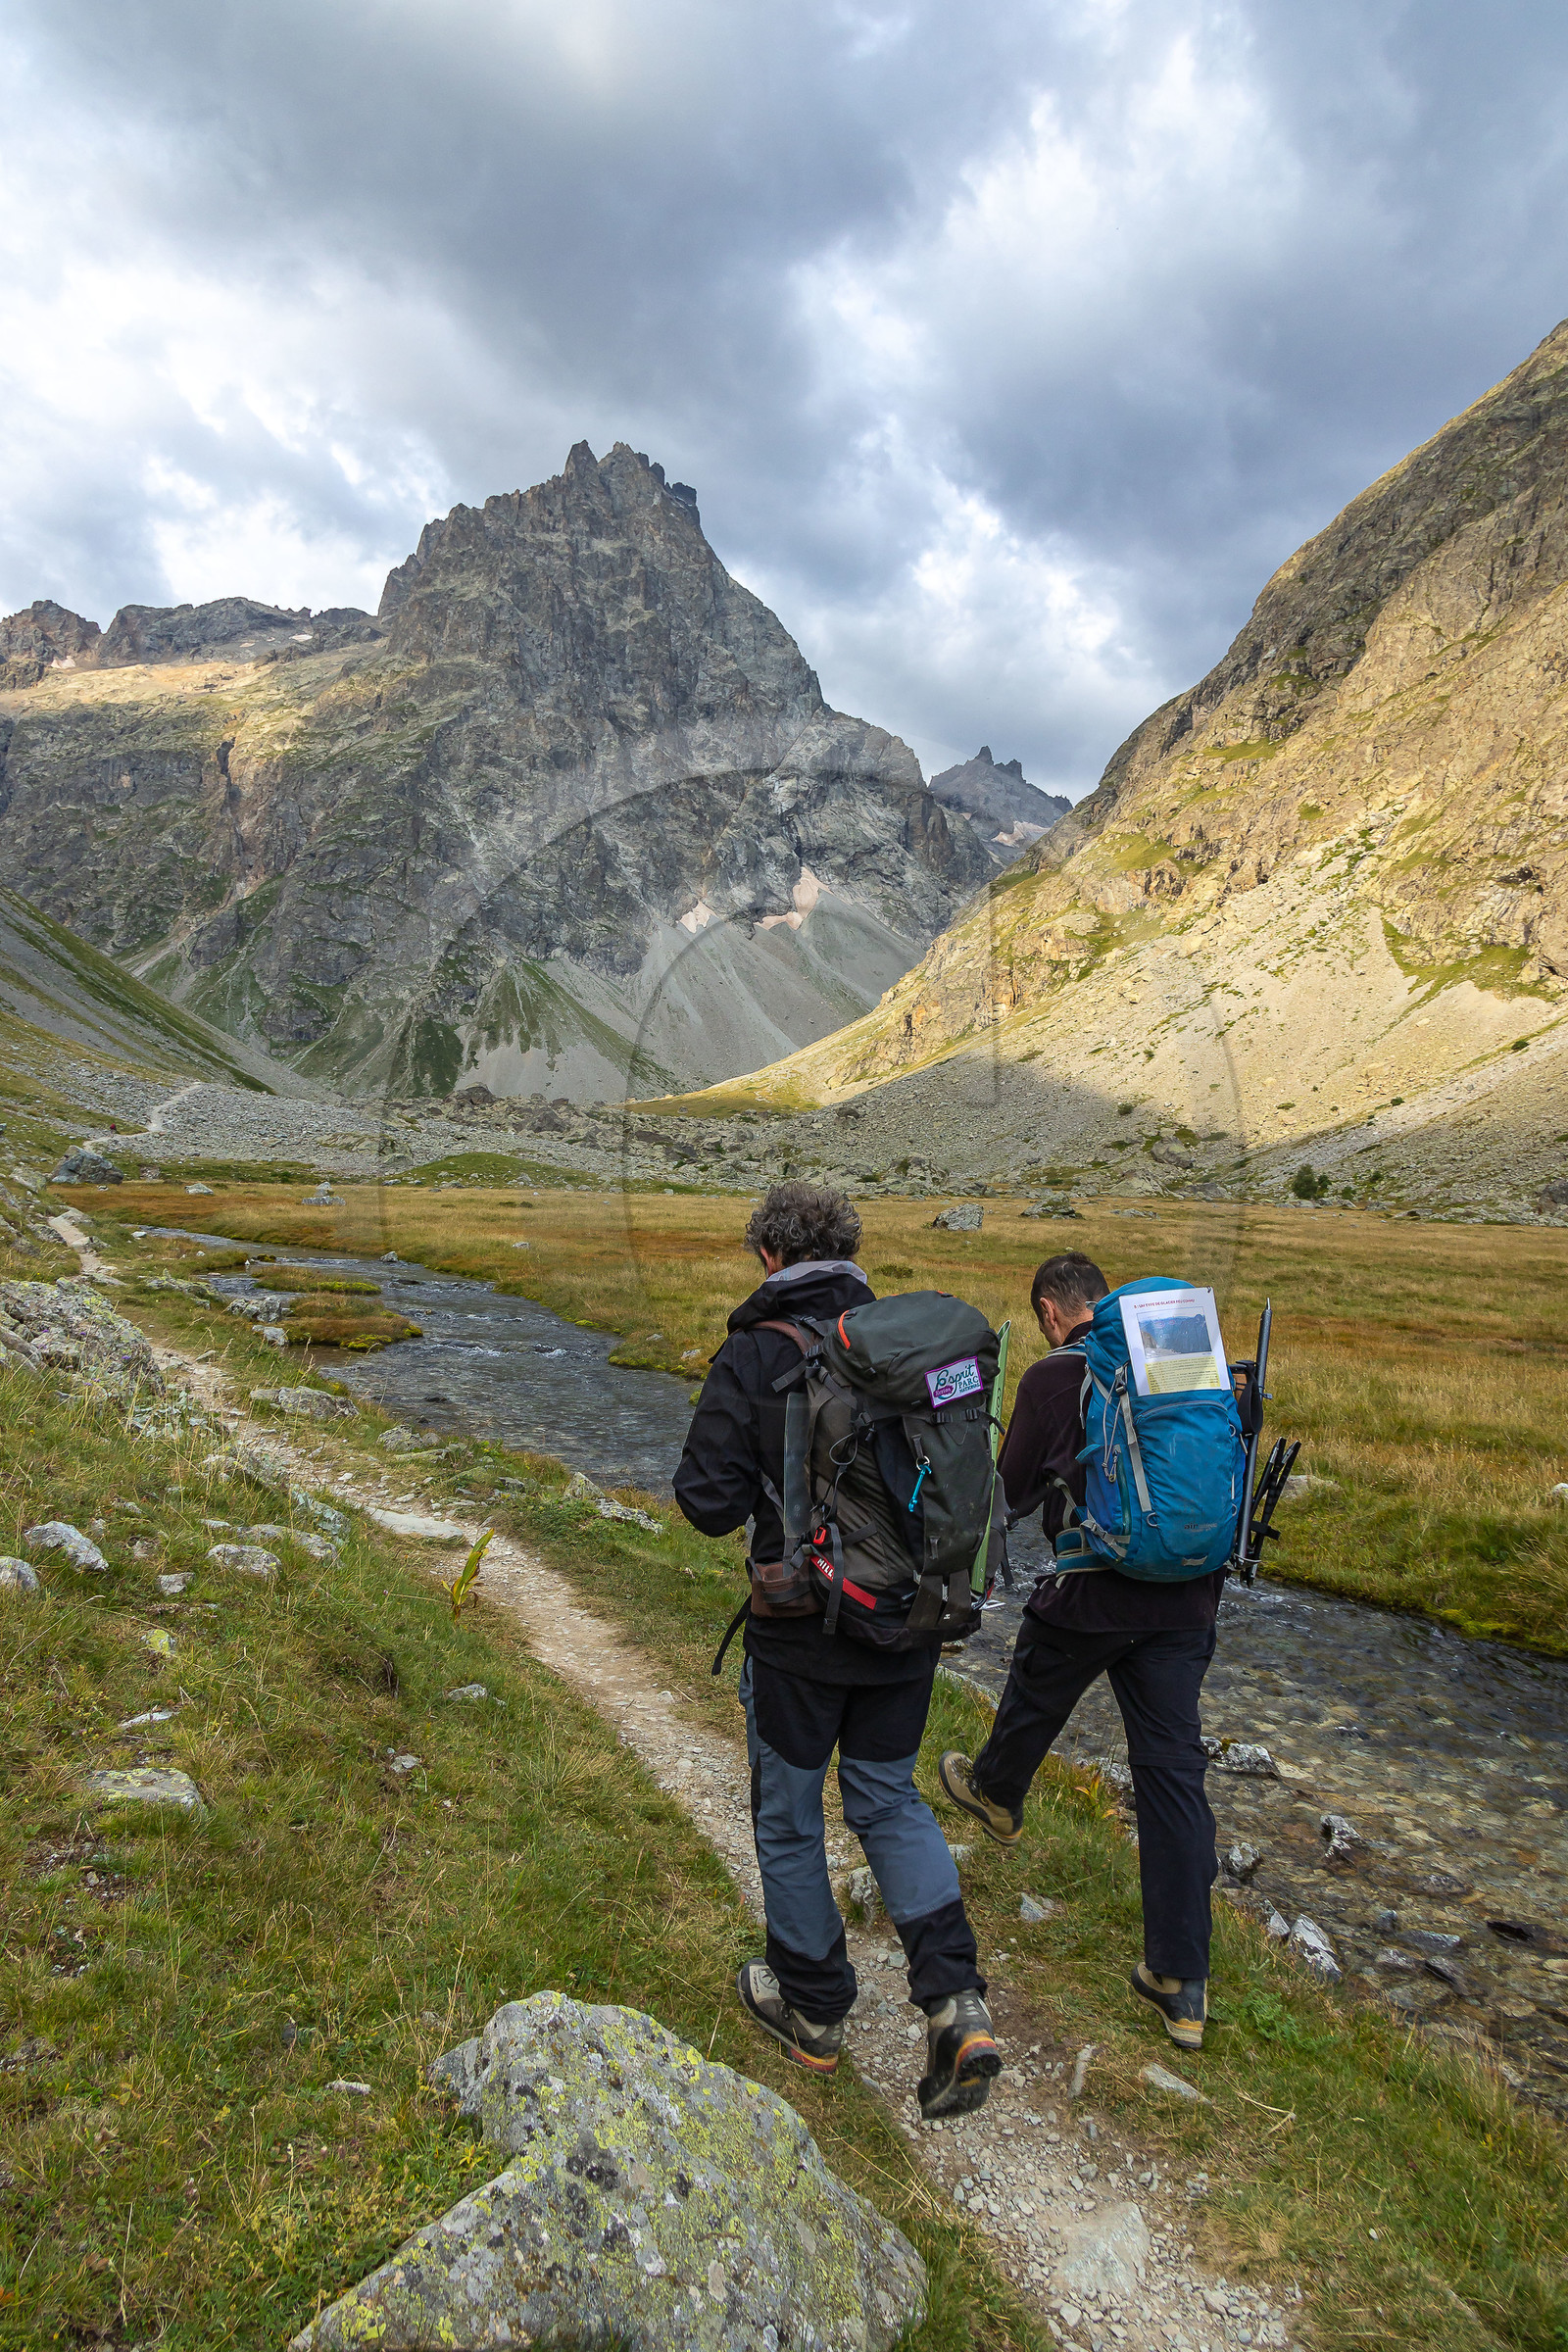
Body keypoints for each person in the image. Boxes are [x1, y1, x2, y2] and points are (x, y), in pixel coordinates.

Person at [673, 1179, 1002, 2119]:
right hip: (908, 1624)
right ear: (850, 1251)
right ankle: (956, 2002)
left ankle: (814, 2009)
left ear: (769, 1257)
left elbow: (704, 1505)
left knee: (788, 1815)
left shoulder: (757, 1351)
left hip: (798, 1634)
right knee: (889, 1800)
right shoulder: (901, 1344)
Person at [937, 1250, 1223, 2053]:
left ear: (1051, 1313)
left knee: (1035, 1684)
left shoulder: (1055, 1376)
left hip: (1094, 1590)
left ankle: (995, 1793)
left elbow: (1014, 1491)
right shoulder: (1174, 1356)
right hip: (1188, 1595)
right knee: (1171, 1772)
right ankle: (1181, 1982)